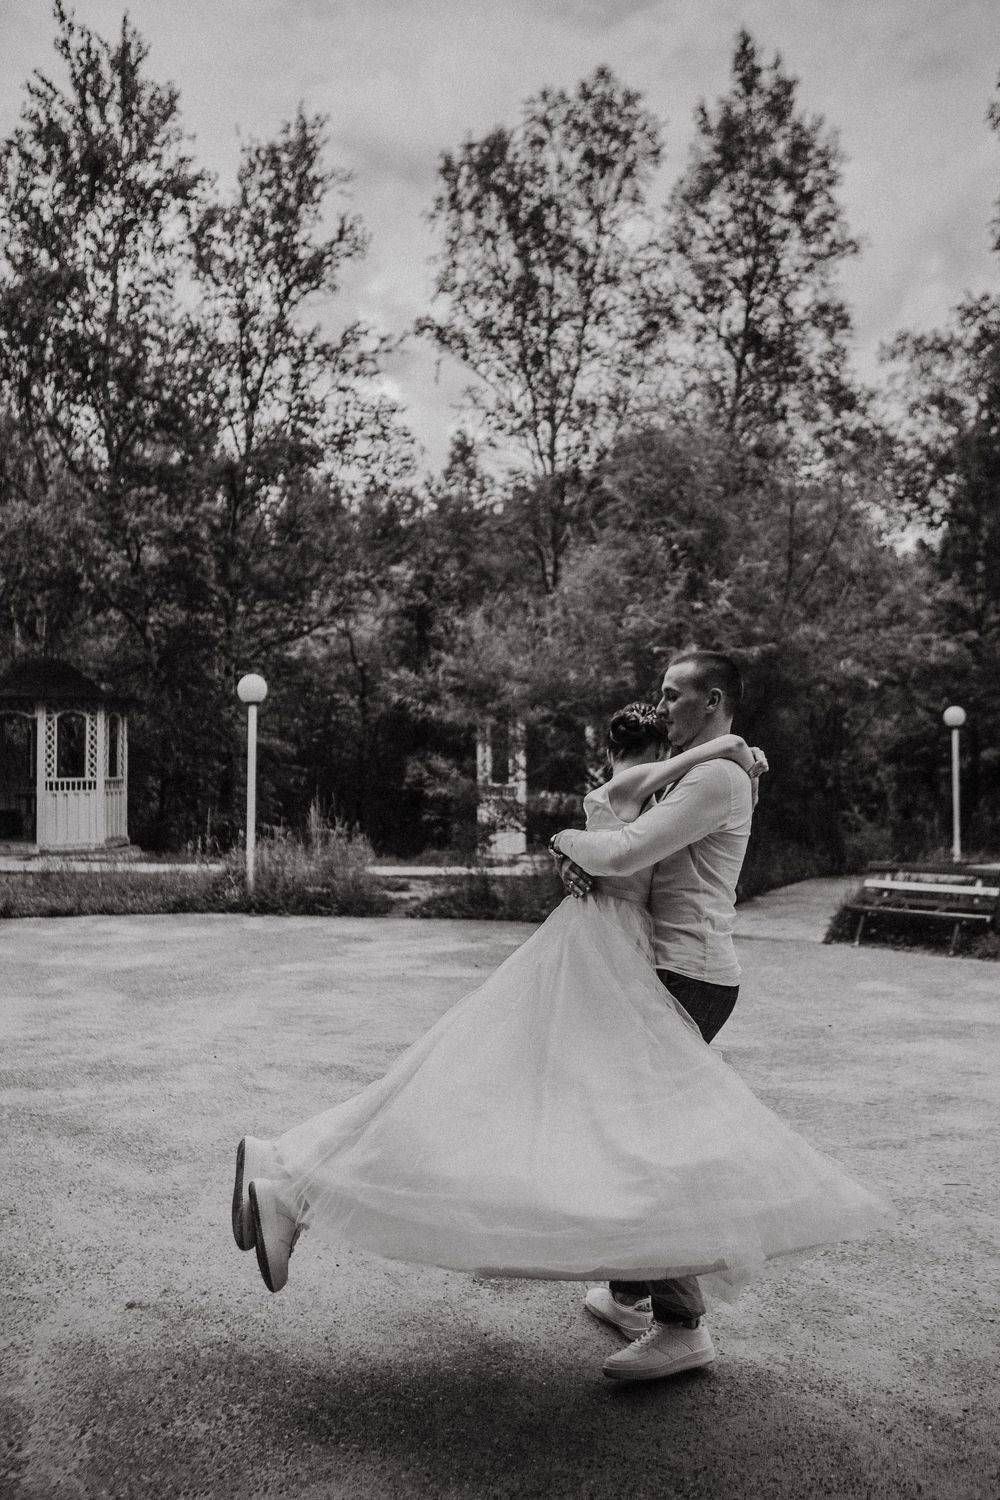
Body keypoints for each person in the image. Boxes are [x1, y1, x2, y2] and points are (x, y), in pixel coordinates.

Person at [231, 701, 888, 1384]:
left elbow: (628, 846)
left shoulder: (654, 789)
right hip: (610, 956)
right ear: (655, 749)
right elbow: (622, 839)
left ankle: (293, 1173)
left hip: (610, 952)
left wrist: (590, 835)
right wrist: (714, 756)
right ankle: (298, 1183)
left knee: (503, 1087)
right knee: (581, 1116)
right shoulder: (644, 786)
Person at [550, 650, 766, 1379]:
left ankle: (682, 1324)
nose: (662, 704)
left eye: (675, 695)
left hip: (688, 973)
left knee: (646, 1142)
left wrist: (568, 843)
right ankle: (629, 1292)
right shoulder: (707, 767)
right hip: (667, 966)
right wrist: (587, 859)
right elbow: (632, 844)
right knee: (625, 1126)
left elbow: (627, 850)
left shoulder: (716, 777)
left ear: (713, 700)